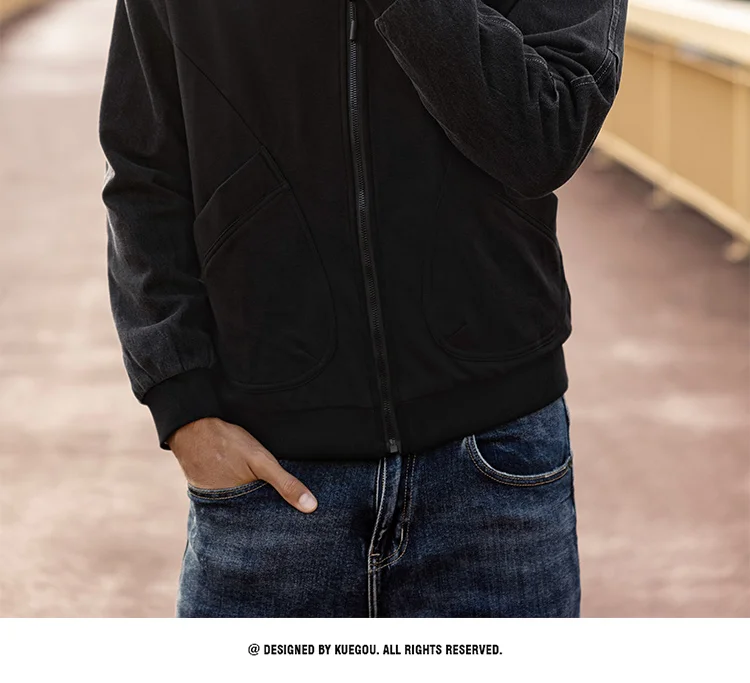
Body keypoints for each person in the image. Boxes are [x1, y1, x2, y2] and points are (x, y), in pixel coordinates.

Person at [99, 0, 627, 618]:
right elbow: (143, 171)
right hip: (271, 473)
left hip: (493, 462)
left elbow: (545, 135)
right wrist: (183, 406)